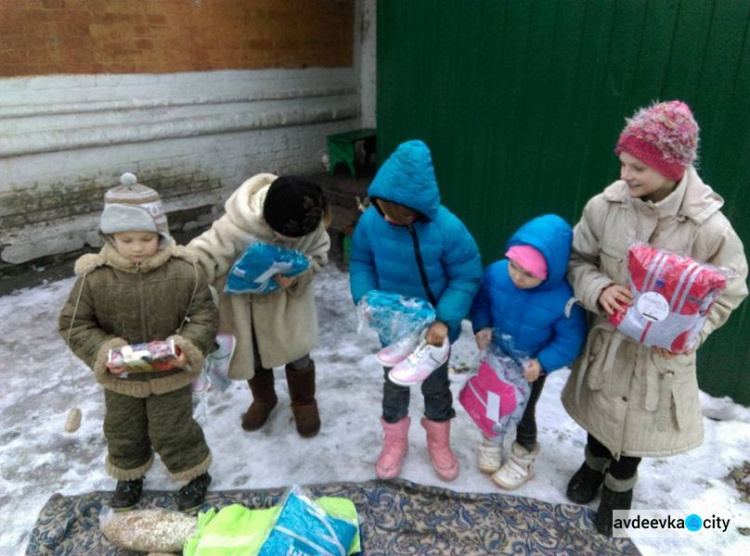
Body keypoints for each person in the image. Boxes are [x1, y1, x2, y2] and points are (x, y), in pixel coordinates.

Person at [562, 101, 748, 535]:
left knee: (636, 423)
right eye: (623, 163)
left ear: (672, 169)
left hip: (658, 359)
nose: (625, 176)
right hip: (608, 343)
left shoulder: (710, 229)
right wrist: (599, 288)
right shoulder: (605, 207)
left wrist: (691, 333)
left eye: (638, 169)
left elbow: (731, 290)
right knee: (600, 410)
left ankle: (620, 484)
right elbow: (576, 258)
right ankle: (592, 464)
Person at [59, 173, 219, 512]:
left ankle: (193, 472)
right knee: (122, 429)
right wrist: (104, 350)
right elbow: (74, 324)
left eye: (146, 238)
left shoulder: (184, 271)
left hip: (170, 373)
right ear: (110, 236)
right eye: (126, 239)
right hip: (121, 378)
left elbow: (204, 314)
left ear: (160, 233)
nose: (137, 247)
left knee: (173, 428)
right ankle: (129, 474)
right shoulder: (95, 277)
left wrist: (187, 345)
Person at [349, 139, 483, 481]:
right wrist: (365, 298)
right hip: (393, 328)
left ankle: (439, 441)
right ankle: (394, 441)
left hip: (433, 332)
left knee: (436, 387)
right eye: (387, 208)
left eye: (404, 212)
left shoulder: (446, 227)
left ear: (420, 208)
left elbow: (466, 274)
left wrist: (445, 319)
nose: (394, 218)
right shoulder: (371, 222)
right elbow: (361, 260)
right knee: (393, 384)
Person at [186, 174, 331, 438]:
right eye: (283, 235)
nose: (289, 240)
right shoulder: (235, 227)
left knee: (298, 356)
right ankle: (264, 399)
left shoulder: (311, 220)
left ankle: (304, 401)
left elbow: (320, 254)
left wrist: (299, 275)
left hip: (289, 310)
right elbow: (201, 256)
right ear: (267, 217)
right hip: (246, 312)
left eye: (295, 238)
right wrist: (180, 278)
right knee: (254, 357)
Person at [470, 214, 587, 489]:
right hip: (498, 356)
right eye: (514, 266)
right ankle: (492, 438)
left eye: (529, 274)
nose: (518, 277)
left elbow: (569, 340)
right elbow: (482, 303)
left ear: (549, 273)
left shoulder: (563, 301)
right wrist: (482, 325)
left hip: (531, 367)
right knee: (493, 400)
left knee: (523, 411)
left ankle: (524, 455)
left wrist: (543, 363)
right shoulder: (497, 273)